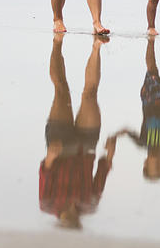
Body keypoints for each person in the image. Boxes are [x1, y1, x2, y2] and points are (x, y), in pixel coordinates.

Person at [39, 35, 119, 229]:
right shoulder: (89, 205)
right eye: (74, 222)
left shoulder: (48, 204)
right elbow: (100, 177)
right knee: (90, 95)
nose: (71, 218)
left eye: (67, 221)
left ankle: (58, 46)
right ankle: (96, 48)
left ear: (60, 221)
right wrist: (109, 154)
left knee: (61, 90)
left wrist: (50, 157)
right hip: (86, 145)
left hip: (60, 146)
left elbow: (44, 174)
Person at [116, 35, 160, 181]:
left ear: (146, 162)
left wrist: (120, 133)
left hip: (149, 99)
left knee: (151, 69)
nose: (159, 161)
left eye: (156, 165)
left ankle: (151, 44)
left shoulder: (142, 142)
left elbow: (129, 132)